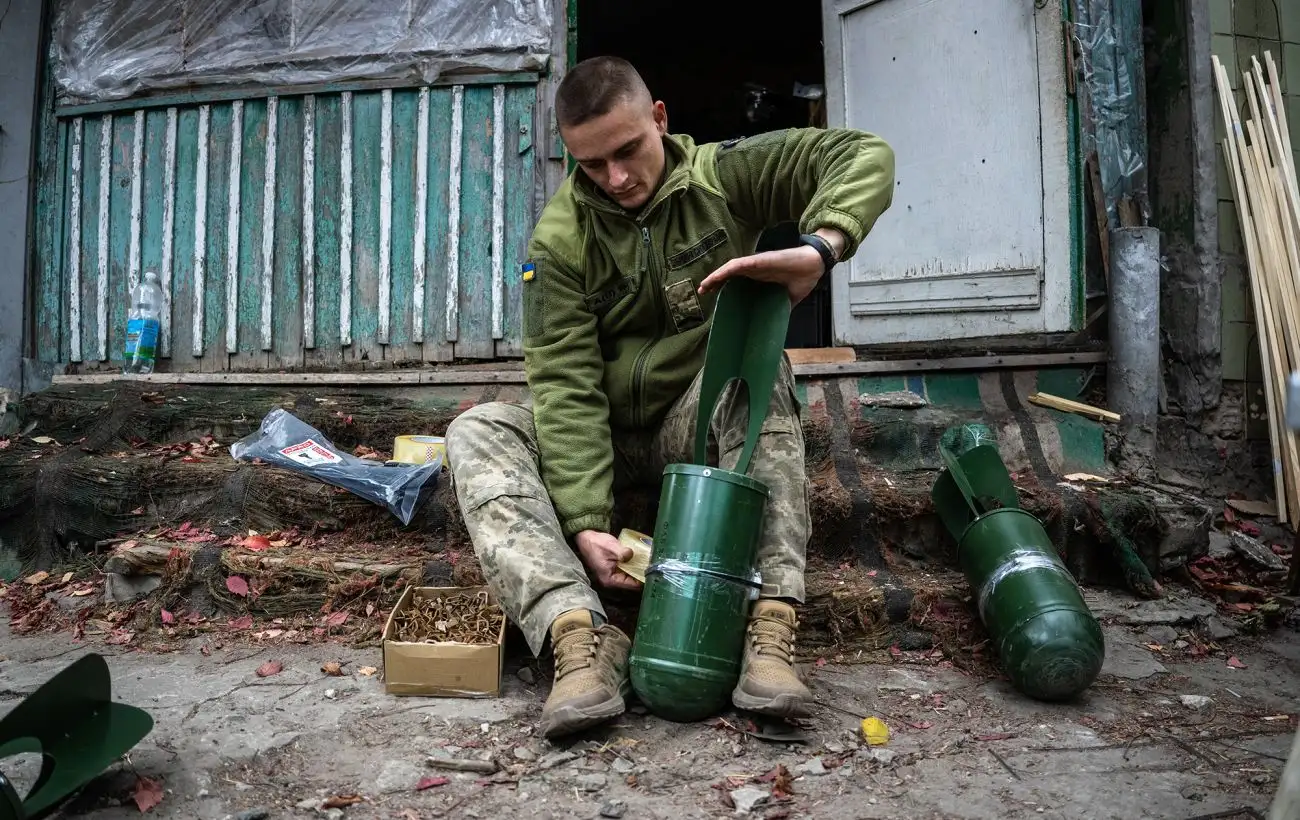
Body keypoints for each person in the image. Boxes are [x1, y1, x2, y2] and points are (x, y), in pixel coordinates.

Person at [445, 56, 895, 738]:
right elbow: (565, 383)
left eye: (628, 152)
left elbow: (863, 154)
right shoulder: (559, 241)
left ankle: (768, 627)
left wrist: (822, 246)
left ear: (660, 119)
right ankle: (580, 639)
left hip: (692, 420)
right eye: (592, 164)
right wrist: (586, 519)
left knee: (763, 364)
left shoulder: (724, 177)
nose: (616, 179)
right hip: (601, 439)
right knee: (477, 429)